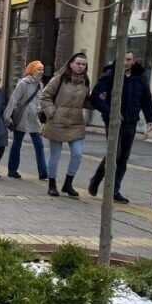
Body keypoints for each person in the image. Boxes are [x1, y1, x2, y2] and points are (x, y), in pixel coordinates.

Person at [86, 51, 152, 204]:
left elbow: (146, 99)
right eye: (123, 59)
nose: (125, 62)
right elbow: (95, 98)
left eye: (129, 59)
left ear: (134, 61)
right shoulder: (110, 75)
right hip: (113, 122)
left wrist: (150, 119)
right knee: (114, 154)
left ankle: (114, 191)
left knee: (123, 157)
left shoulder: (140, 77)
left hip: (131, 121)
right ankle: (97, 179)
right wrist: (111, 112)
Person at [40, 52, 92, 198]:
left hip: (76, 123)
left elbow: (85, 101)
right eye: (78, 63)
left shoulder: (85, 81)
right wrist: (52, 113)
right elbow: (45, 96)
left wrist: (98, 101)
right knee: (55, 155)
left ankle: (68, 184)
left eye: (84, 64)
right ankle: (52, 185)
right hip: (57, 121)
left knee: (77, 154)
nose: (81, 66)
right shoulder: (59, 78)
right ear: (71, 64)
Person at [4, 61, 48, 180]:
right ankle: (12, 170)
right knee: (17, 144)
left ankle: (43, 172)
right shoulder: (23, 83)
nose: (41, 72)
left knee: (39, 145)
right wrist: (7, 116)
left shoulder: (40, 84)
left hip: (34, 119)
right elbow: (13, 99)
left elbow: (40, 102)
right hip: (22, 117)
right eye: (39, 69)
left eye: (42, 69)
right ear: (32, 71)